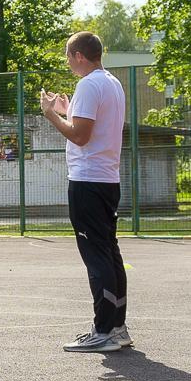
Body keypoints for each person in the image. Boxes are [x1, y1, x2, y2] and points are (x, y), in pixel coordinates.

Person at [40, 31, 132, 354]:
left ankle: (103, 330)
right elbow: (92, 127)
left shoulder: (89, 84)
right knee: (109, 251)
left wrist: (50, 113)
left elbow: (80, 136)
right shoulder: (112, 83)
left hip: (87, 181)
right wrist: (68, 110)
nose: (67, 62)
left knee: (96, 256)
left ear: (79, 56)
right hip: (106, 179)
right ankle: (117, 327)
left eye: (68, 56)